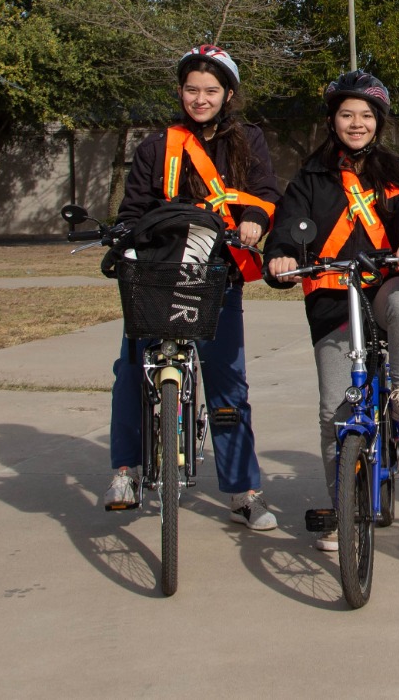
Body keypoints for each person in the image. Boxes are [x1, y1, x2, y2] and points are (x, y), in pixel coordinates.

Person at [264, 70, 399, 552]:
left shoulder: (396, 172)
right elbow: (286, 226)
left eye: (366, 115)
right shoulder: (310, 176)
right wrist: (280, 254)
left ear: (379, 123)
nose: (357, 123)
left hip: (386, 282)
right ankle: (342, 510)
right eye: (347, 114)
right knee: (334, 411)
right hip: (332, 295)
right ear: (332, 119)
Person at [102, 44, 281, 531]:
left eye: (211, 90)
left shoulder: (248, 140)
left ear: (228, 95)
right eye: (191, 89)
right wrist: (125, 236)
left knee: (228, 381)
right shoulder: (157, 146)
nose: (200, 99)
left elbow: (266, 191)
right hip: (159, 271)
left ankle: (243, 492)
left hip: (215, 270)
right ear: (180, 92)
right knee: (132, 368)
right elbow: (133, 207)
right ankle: (124, 469)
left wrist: (254, 220)